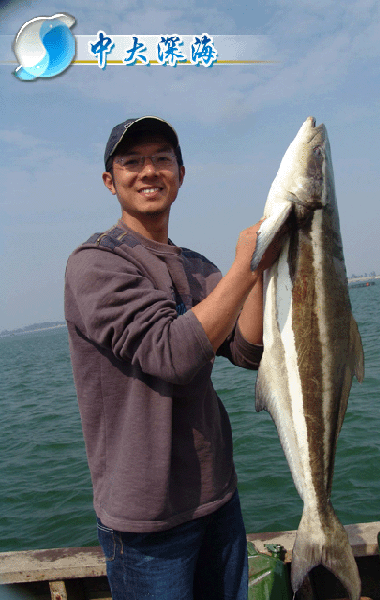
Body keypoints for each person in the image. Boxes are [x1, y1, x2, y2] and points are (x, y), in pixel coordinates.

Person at [64, 116, 278, 600]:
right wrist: (246, 265)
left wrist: (262, 269)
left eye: (162, 159)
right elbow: (172, 354)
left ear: (180, 175)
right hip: (147, 519)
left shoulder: (198, 267)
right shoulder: (96, 263)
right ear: (110, 181)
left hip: (218, 496)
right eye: (132, 161)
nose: (149, 171)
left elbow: (246, 350)